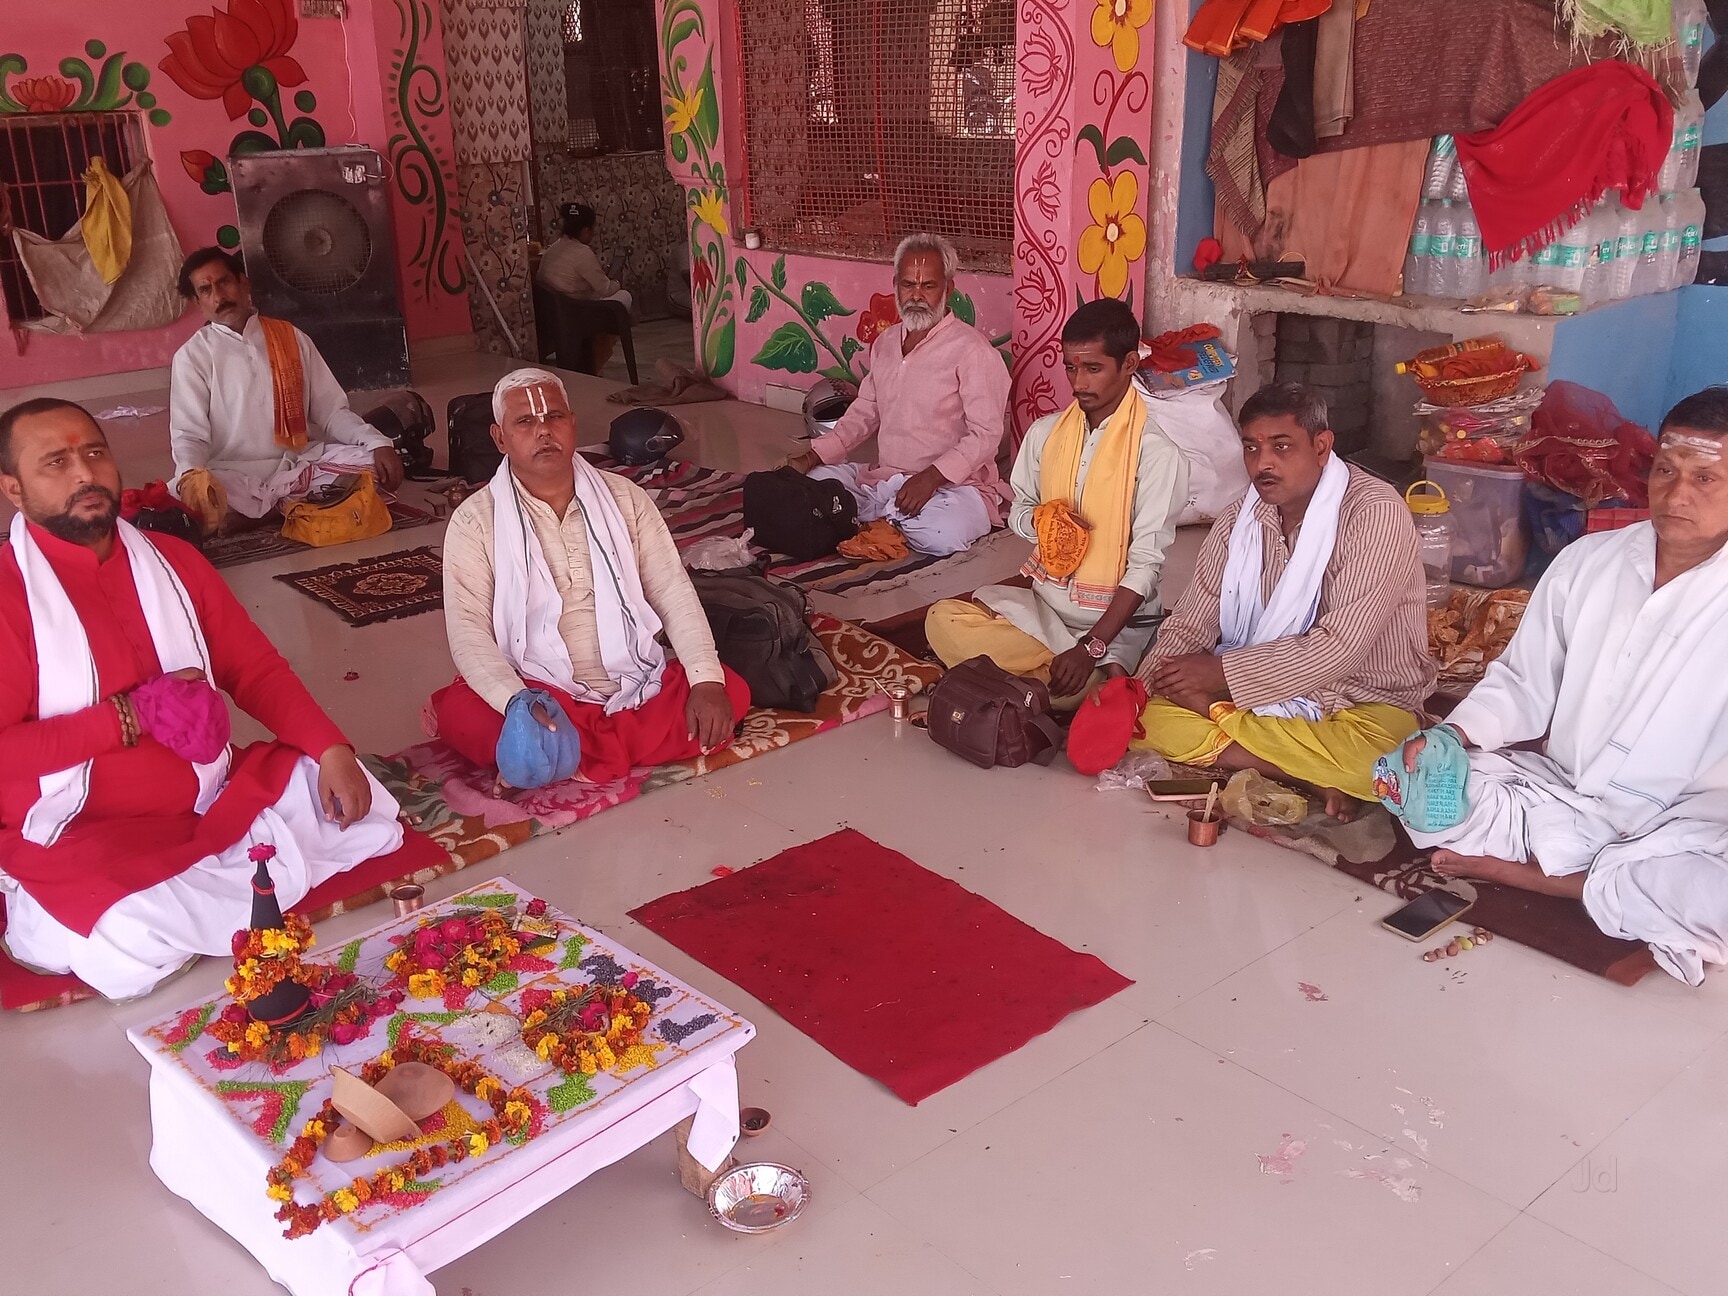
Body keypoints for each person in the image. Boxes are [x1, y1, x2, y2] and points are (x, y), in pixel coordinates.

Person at [0, 398, 403, 999]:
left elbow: (253, 668)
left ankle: (207, 906)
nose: (85, 473)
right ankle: (153, 909)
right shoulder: (9, 595)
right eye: (56, 462)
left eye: (94, 452)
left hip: (210, 796)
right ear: (14, 489)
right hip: (87, 831)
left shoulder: (172, 561)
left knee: (362, 807)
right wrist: (128, 717)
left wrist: (331, 750)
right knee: (124, 934)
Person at [1396, 390, 1728, 985]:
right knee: (1418, 780)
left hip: (1688, 826)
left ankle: (1546, 877)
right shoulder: (1588, 561)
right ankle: (1603, 880)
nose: (1678, 495)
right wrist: (1452, 735)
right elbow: (1523, 681)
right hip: (1564, 794)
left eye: (1706, 478)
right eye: (1666, 471)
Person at [431, 368, 751, 787]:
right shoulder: (474, 521)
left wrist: (705, 680)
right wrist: (516, 701)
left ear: (573, 424)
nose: (543, 431)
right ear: (500, 438)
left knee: (730, 688)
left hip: (632, 682)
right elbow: (468, 631)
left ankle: (555, 755)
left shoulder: (625, 497)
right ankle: (574, 742)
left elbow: (672, 590)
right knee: (464, 712)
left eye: (554, 417)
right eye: (524, 422)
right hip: (537, 688)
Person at [1132, 382, 1435, 816]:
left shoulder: (1374, 514)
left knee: (1386, 765)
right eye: (1251, 448)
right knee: (1146, 722)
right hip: (1258, 696)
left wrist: (1216, 676)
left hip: (1362, 703)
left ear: (1321, 447)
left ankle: (1224, 723)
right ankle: (1302, 774)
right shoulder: (1239, 520)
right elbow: (1191, 622)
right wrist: (1138, 692)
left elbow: (1340, 648)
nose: (1263, 463)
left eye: (1281, 446)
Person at [924, 299, 1189, 701]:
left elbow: (1146, 566)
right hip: (1045, 611)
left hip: (1112, 629)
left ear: (1130, 363)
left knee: (1075, 682)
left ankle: (1059, 678)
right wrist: (1044, 522)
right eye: (1071, 368)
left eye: (1093, 368)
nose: (1078, 382)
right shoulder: (1045, 435)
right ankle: (1063, 683)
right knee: (942, 619)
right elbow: (1019, 510)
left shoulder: (1157, 455)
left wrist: (1091, 647)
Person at [785, 233, 1010, 556]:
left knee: (944, 532)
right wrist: (812, 456)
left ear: (948, 289)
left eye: (928, 286)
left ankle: (872, 520)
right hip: (886, 479)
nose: (916, 296)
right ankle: (887, 518)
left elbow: (986, 434)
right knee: (812, 483)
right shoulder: (886, 343)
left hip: (953, 488)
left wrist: (931, 478)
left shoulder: (973, 351)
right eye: (908, 285)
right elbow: (865, 411)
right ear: (895, 285)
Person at [168, 247, 404, 530]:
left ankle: (262, 512)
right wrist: (192, 477)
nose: (218, 297)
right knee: (183, 494)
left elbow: (331, 412)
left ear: (244, 282)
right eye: (206, 290)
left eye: (224, 282)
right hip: (231, 473)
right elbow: (189, 435)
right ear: (198, 302)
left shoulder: (290, 337)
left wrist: (376, 442)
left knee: (369, 465)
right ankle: (292, 505)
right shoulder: (192, 356)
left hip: (298, 464)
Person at [537, 202, 632, 372]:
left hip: (554, 310)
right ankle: (596, 361)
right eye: (591, 230)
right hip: (574, 312)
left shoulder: (553, 248)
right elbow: (606, 289)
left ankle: (590, 357)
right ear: (586, 230)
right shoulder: (582, 252)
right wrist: (617, 281)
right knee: (624, 297)